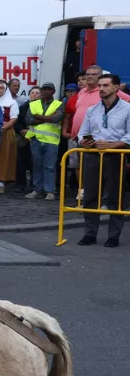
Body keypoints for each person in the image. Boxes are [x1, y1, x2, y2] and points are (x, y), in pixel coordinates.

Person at [76, 73, 130, 247]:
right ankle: (90, 233)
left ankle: (113, 236)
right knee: (90, 195)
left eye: (105, 85)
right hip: (93, 155)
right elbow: (82, 131)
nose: (101, 89)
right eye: (100, 86)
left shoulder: (127, 109)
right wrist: (84, 141)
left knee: (115, 196)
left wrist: (113, 145)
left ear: (116, 87)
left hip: (116, 155)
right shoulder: (93, 109)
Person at [24, 83, 63, 201]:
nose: (46, 91)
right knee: (37, 165)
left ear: (53, 91)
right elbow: (29, 120)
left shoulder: (59, 104)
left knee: (50, 166)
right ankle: (37, 190)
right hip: (36, 139)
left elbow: (57, 118)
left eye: (49, 89)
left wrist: (38, 117)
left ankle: (50, 191)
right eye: (44, 89)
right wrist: (47, 118)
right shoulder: (33, 104)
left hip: (51, 141)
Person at [0, 79, 20, 195]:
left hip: (5, 132)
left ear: (5, 89)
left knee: (4, 158)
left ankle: (2, 182)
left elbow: (13, 118)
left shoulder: (12, 102)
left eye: (1, 88)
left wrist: (3, 128)